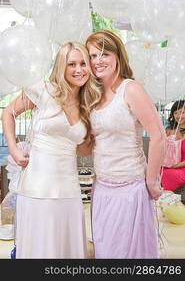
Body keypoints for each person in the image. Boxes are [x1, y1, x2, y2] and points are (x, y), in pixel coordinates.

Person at [2, 41, 101, 259]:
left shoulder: (88, 104)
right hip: (37, 189)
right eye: (71, 64)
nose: (79, 70)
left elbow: (83, 151)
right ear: (61, 68)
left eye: (83, 63)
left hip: (70, 191)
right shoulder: (44, 90)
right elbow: (7, 113)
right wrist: (15, 150)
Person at [81, 30, 166, 259]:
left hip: (131, 190)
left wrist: (151, 181)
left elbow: (159, 136)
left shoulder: (131, 89)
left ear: (117, 55)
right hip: (102, 190)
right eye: (92, 56)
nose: (98, 61)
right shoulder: (93, 95)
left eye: (104, 54)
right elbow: (90, 144)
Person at [161, 100, 185, 193]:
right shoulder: (170, 131)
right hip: (168, 164)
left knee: (169, 174)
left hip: (181, 166)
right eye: (176, 113)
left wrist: (176, 165)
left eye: (182, 112)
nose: (179, 116)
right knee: (156, 171)